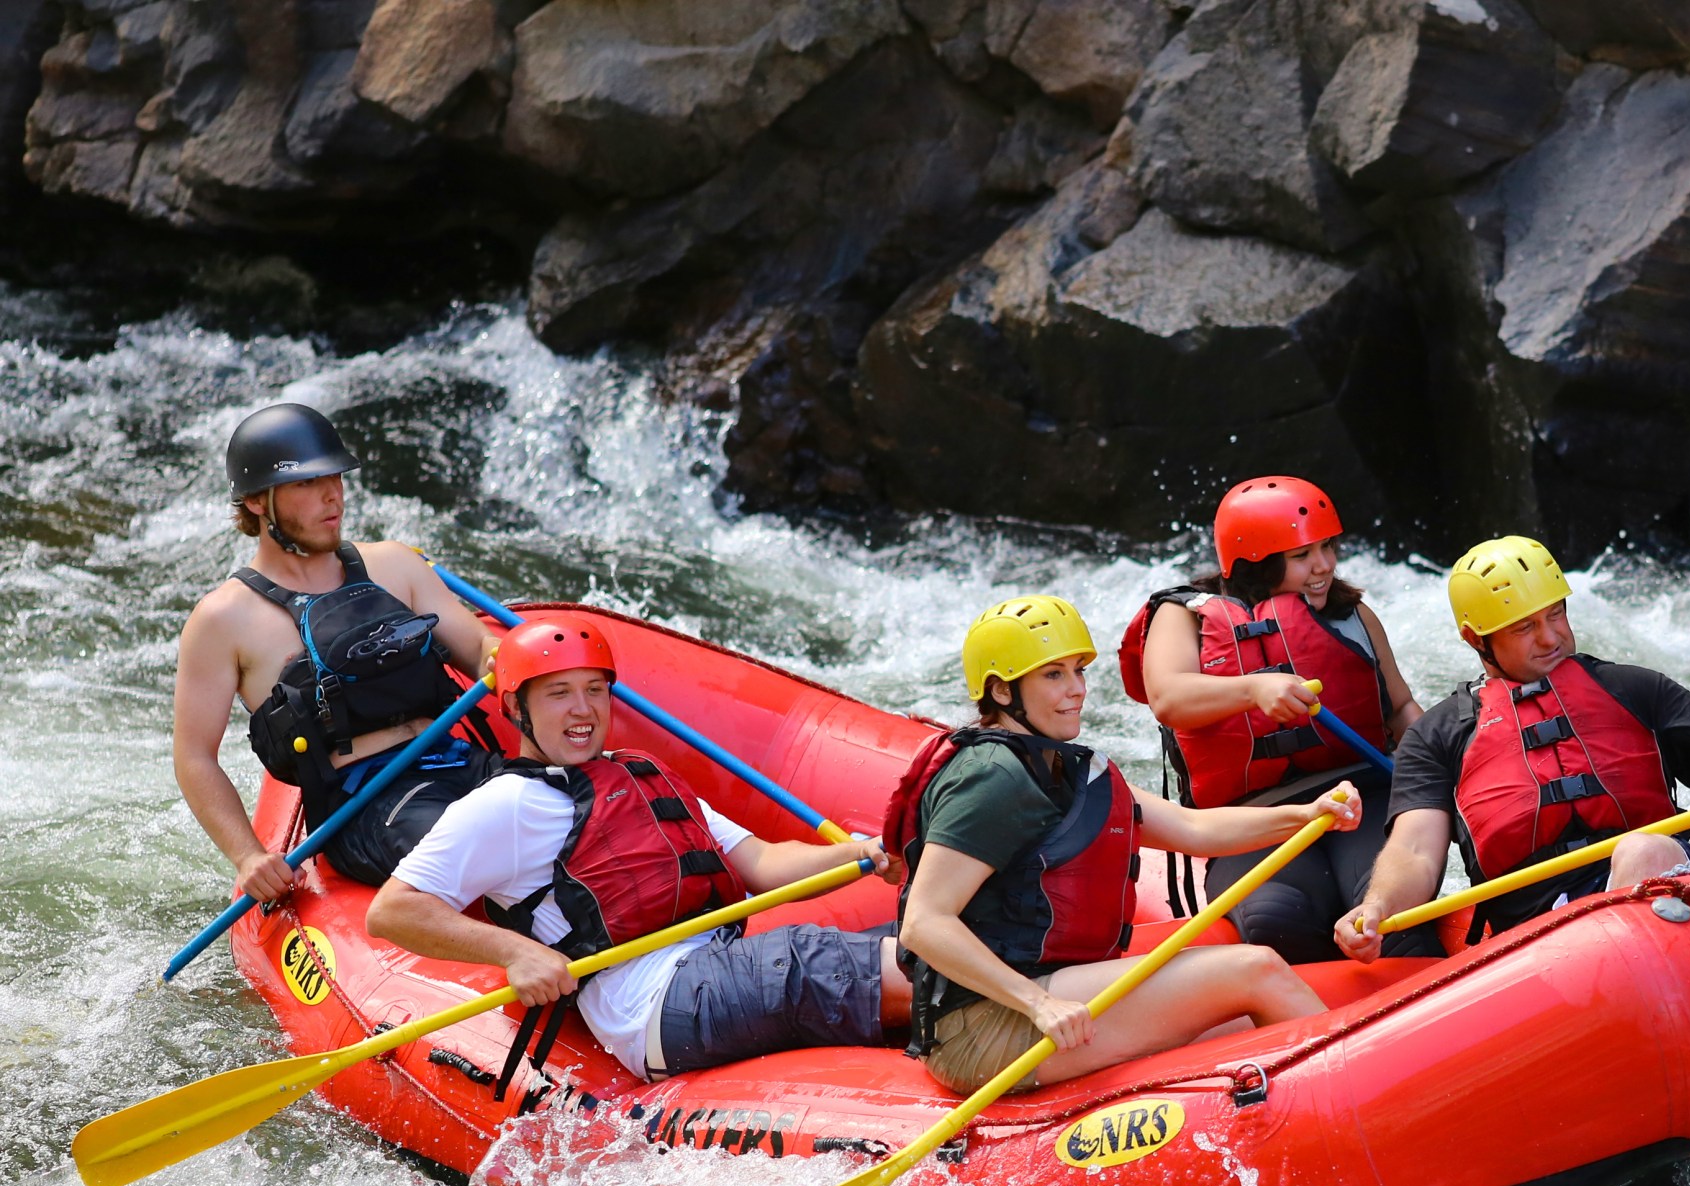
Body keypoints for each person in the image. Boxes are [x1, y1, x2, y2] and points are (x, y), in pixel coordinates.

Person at [367, 620, 909, 1080]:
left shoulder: (638, 775)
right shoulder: (506, 804)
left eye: (594, 690)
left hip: (715, 967)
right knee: (805, 958)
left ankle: (969, 1007)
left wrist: (864, 854)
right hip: (658, 1004)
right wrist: (514, 952)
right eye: (559, 693)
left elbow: (764, 865)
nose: (583, 710)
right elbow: (393, 911)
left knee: (911, 937)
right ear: (516, 706)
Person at [891, 595, 1359, 1096]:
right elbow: (925, 922)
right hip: (983, 1027)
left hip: (1055, 989)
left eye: (1078, 671)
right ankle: (1360, 1101)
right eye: (1053, 676)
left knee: (1252, 1022)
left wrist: (1310, 815)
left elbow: (1193, 829)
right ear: (1004, 692)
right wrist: (1037, 1003)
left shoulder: (1062, 766)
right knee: (1256, 969)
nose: (1077, 691)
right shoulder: (991, 779)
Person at [1335, 536, 1690, 961]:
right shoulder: (1439, 733)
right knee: (1638, 857)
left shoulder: (1631, 688)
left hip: (1663, 878)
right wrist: (1378, 905)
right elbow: (1415, 850)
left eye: (1556, 614)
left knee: (1644, 849)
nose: (1551, 636)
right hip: (1541, 928)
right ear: (1476, 639)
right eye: (1525, 627)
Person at [173, 402, 506, 896]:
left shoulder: (395, 564)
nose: (332, 495)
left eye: (335, 477)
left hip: (459, 761)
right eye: (306, 483)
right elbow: (194, 757)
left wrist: (519, 658)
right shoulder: (224, 620)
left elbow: (480, 650)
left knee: (587, 808)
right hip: (362, 806)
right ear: (258, 502)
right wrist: (248, 856)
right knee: (486, 847)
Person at [1118, 476, 1438, 962]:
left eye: (1329, 547)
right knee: (1277, 919)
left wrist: (1446, 764)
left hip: (1363, 795)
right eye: (1303, 555)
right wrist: (1252, 689)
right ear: (1254, 562)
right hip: (1251, 817)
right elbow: (1168, 696)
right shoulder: (1185, 616)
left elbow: (1400, 710)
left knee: (1390, 914)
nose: (1324, 566)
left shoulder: (1353, 615)